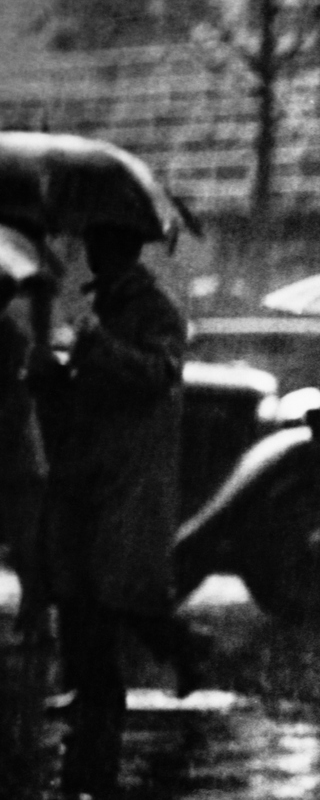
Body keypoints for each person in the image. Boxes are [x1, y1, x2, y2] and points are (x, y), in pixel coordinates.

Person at [37, 224, 205, 718]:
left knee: (114, 590)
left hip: (128, 472)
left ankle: (115, 687)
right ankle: (90, 687)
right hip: (89, 465)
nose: (88, 249)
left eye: (98, 241)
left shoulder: (155, 308)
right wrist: (56, 380)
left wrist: (97, 346)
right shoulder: (108, 303)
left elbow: (158, 375)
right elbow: (94, 387)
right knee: (77, 582)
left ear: (120, 247)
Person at [0, 270, 51, 649]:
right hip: (17, 461)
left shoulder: (11, 337)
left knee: (25, 544)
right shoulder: (13, 335)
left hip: (15, 461)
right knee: (24, 544)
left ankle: (36, 616)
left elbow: (14, 407)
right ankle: (35, 616)